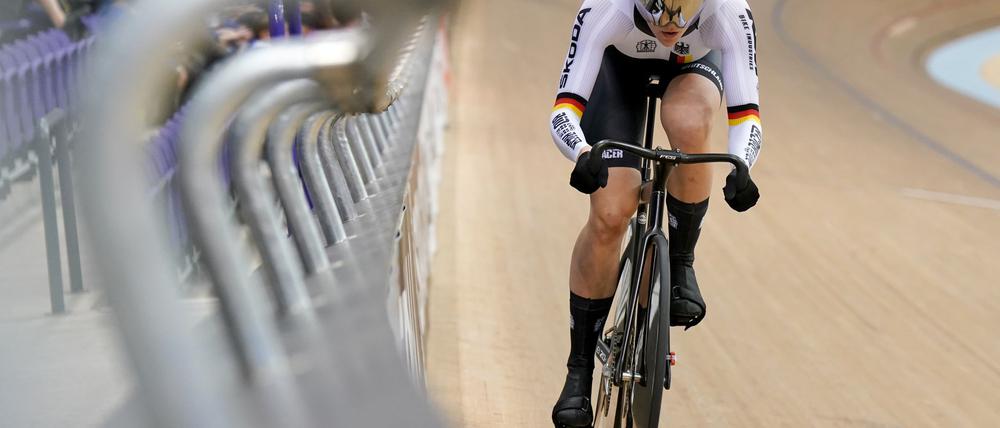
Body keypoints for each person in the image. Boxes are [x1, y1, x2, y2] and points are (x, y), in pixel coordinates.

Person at [548, 0, 761, 426]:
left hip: (691, 69)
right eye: (660, 10)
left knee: (688, 122)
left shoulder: (728, 12)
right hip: (618, 73)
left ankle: (681, 265)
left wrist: (743, 166)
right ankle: (579, 371)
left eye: (683, 13)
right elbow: (564, 109)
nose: (670, 25)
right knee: (611, 213)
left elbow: (747, 115)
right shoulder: (607, 9)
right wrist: (583, 152)